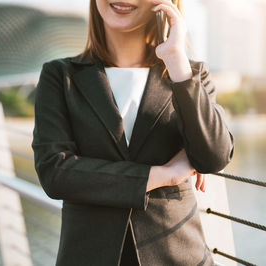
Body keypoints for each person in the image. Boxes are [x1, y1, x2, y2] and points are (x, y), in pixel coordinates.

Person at [31, 0, 235, 265]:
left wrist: (176, 62)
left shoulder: (189, 73)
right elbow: (54, 172)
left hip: (177, 255)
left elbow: (214, 157)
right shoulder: (60, 75)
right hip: (88, 256)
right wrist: (162, 176)